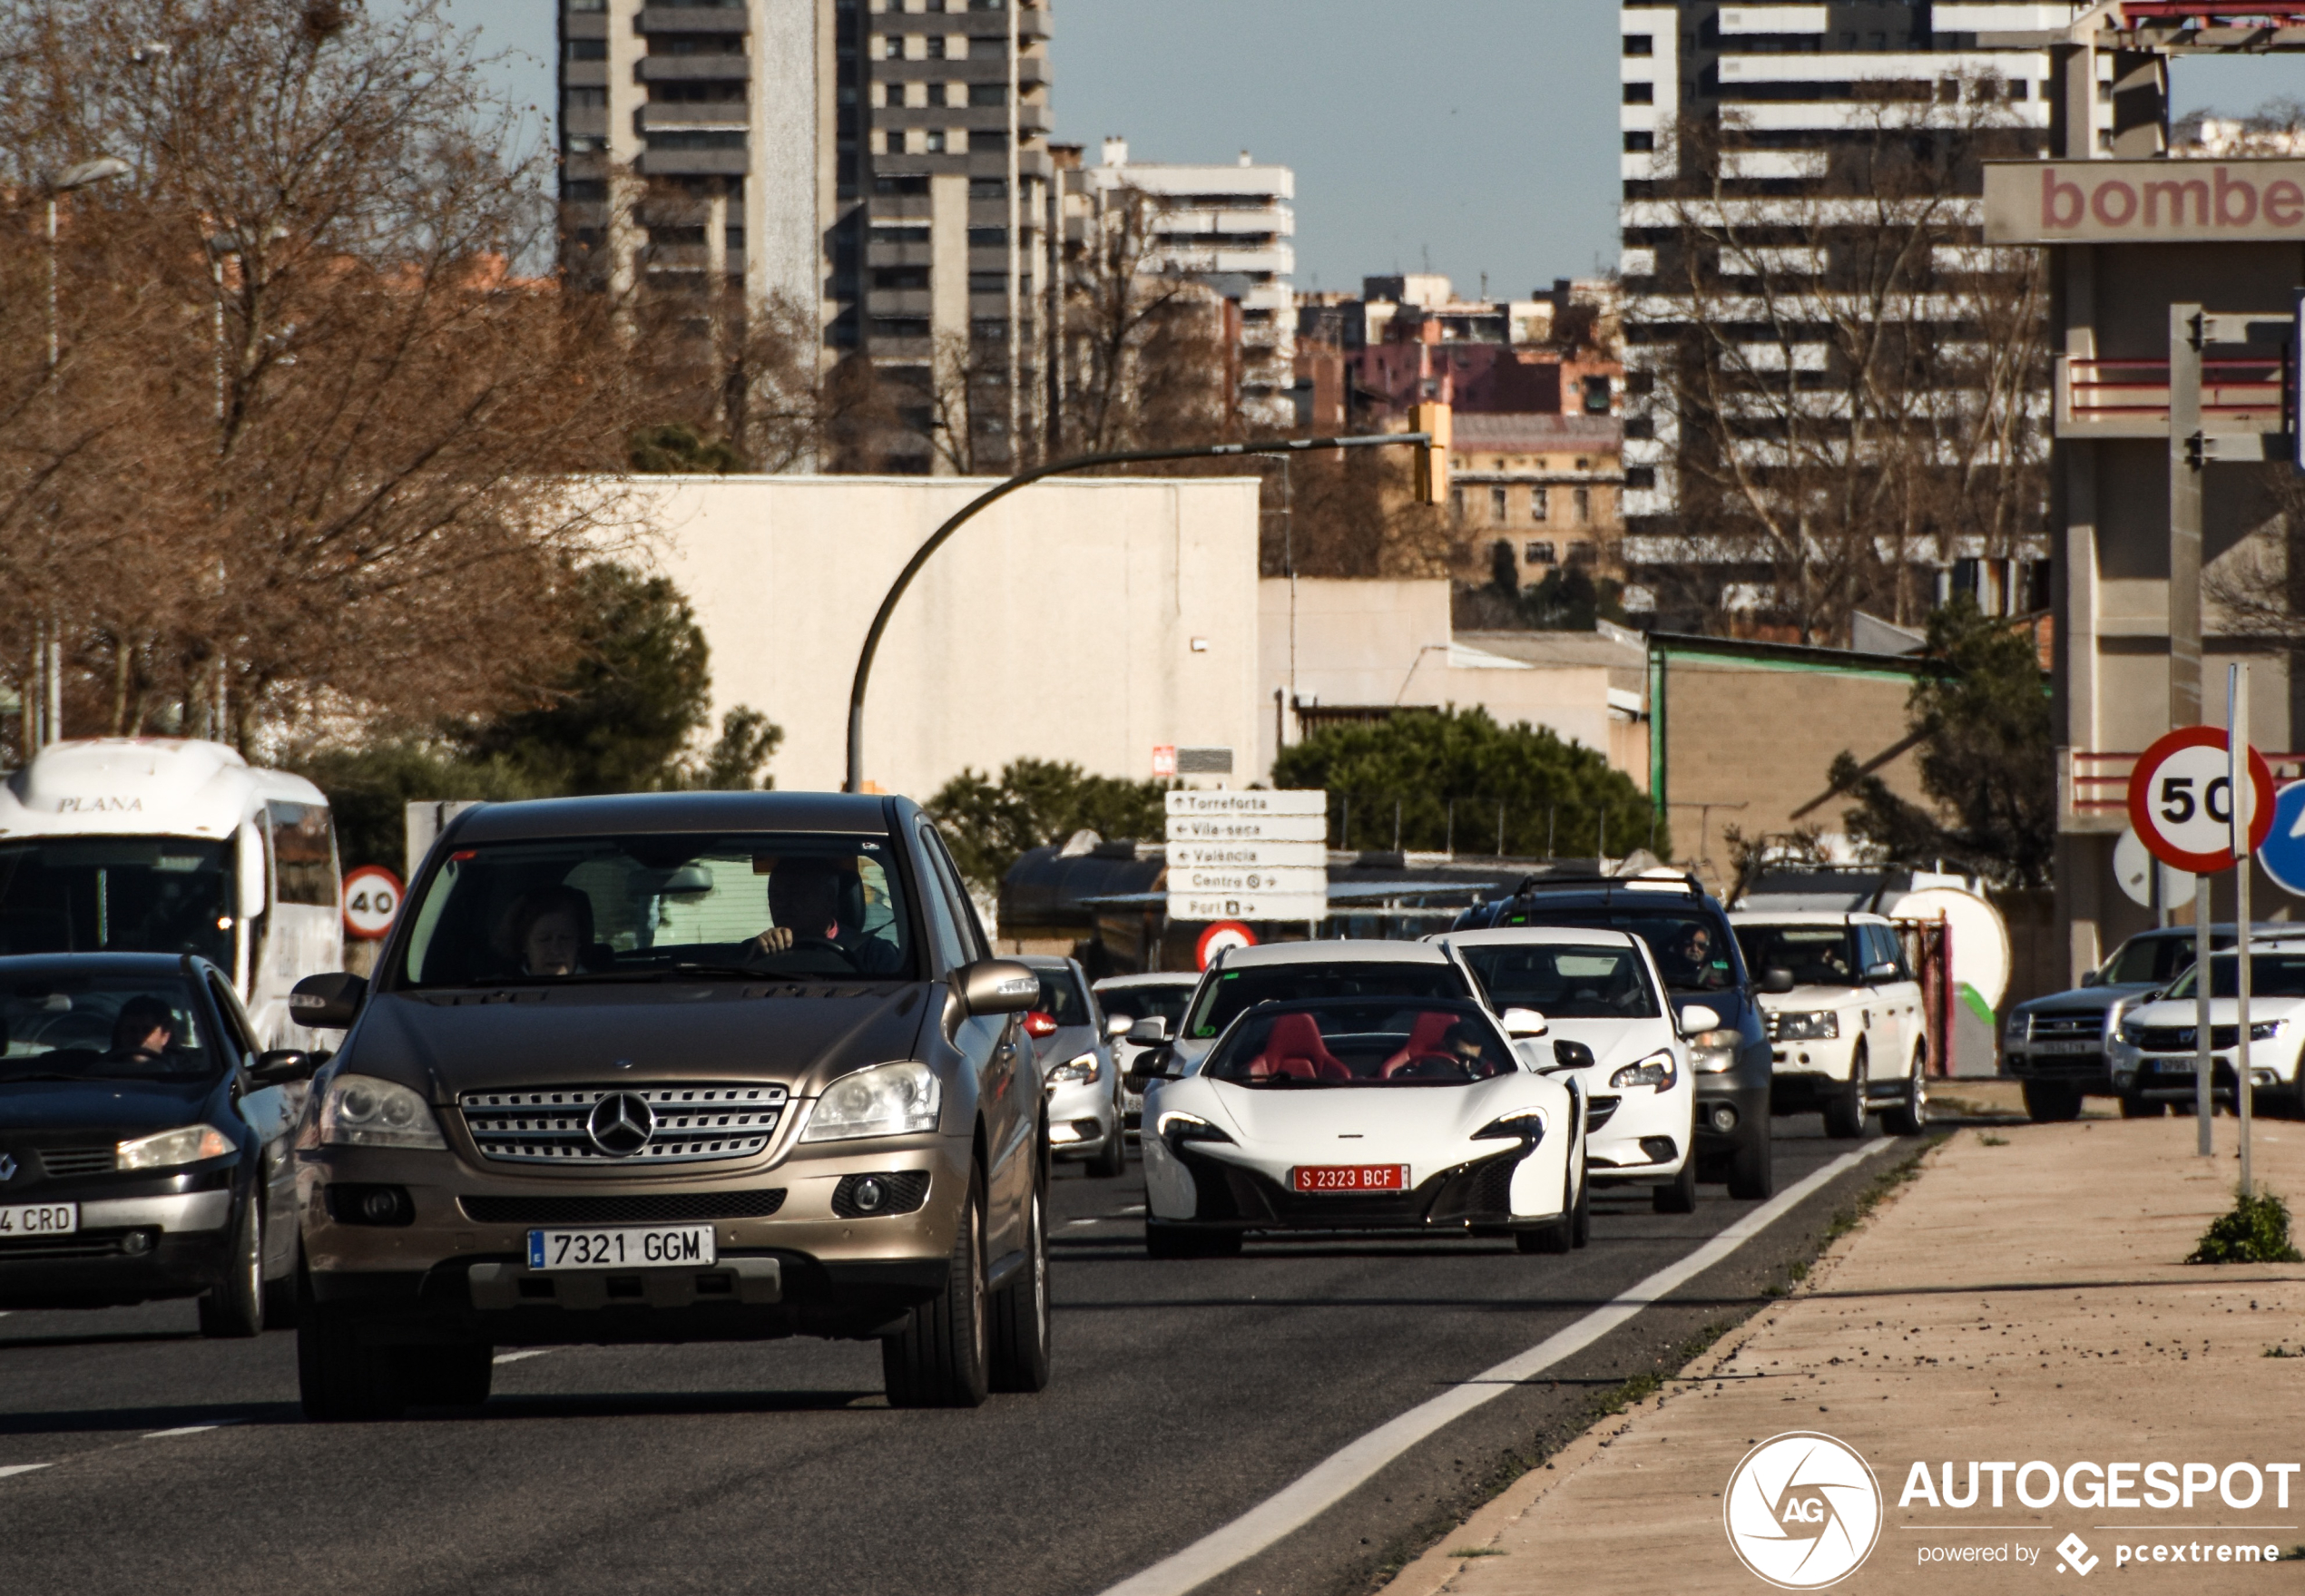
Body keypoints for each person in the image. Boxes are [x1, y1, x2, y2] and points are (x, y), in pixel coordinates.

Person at [753, 857, 904, 975]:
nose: (782, 904)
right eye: (775, 896)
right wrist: (758, 951)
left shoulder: (875, 956)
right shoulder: (758, 951)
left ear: (829, 899)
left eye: (796, 895)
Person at [499, 886, 593, 977]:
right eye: (544, 939)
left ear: (579, 940)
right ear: (523, 944)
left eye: (565, 938)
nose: (556, 950)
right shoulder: (501, 989)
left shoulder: (600, 987)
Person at [106, 995, 180, 1064]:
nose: (139, 1038)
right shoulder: (100, 1069)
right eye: (132, 1030)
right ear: (121, 1034)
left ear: (165, 1037)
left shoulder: (183, 1070)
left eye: (147, 1031)